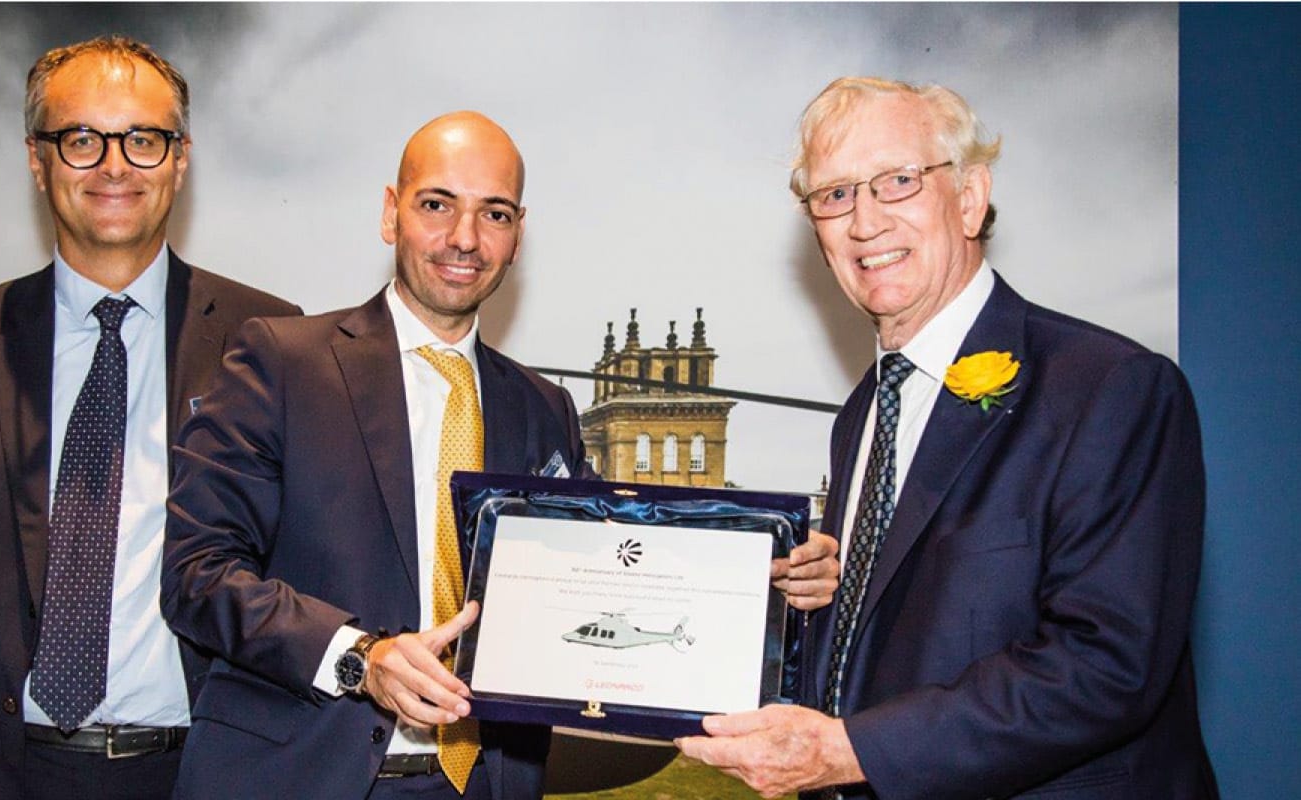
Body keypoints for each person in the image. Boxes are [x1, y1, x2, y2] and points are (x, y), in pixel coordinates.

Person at [161, 110, 838, 800]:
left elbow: (615, 567)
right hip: (300, 778)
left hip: (483, 784)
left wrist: (767, 569)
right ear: (391, 213)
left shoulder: (544, 409)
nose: (465, 238)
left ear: (518, 235)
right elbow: (198, 574)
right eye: (437, 205)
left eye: (494, 214)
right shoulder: (282, 361)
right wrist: (360, 658)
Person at [677, 76, 1218, 799]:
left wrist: (849, 752)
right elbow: (906, 629)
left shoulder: (1111, 388)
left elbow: (1106, 664)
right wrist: (809, 604)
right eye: (835, 195)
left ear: (969, 198)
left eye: (898, 181)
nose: (864, 222)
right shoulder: (864, 413)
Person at [0, 36, 299, 800]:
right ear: (38, 159)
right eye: (83, 139)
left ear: (180, 159)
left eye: (143, 139)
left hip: (201, 773)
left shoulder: (266, 340)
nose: (114, 166)